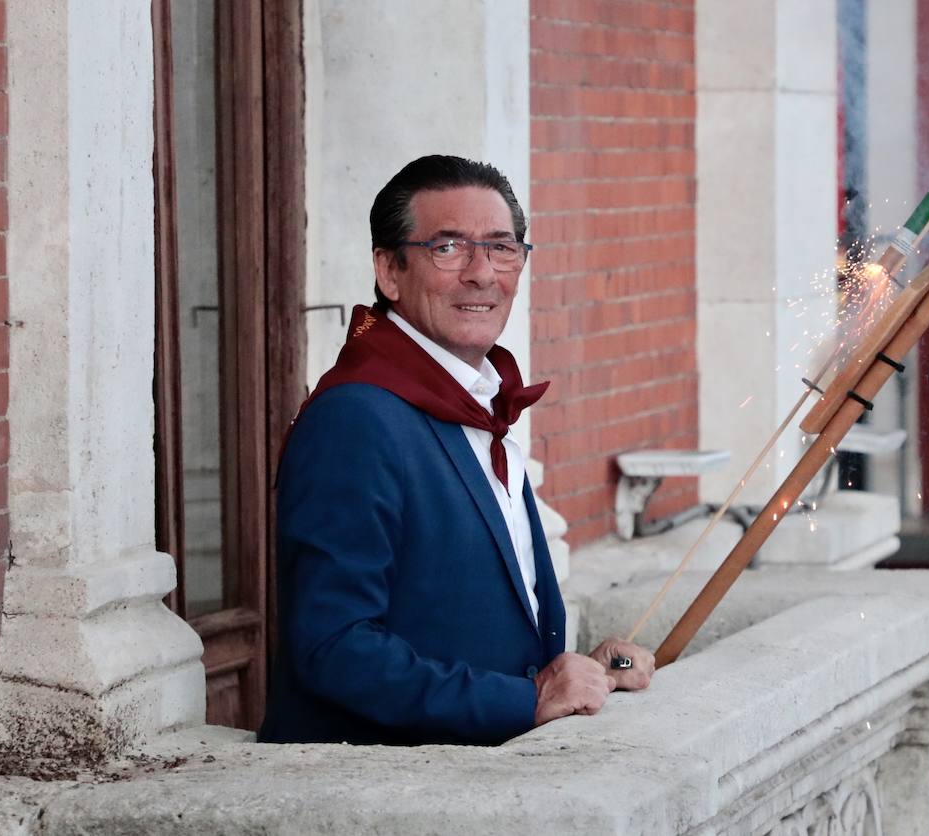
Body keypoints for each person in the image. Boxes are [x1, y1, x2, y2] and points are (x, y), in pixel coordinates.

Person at [259, 155, 654, 747]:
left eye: (501, 248)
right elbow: (334, 646)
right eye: (448, 247)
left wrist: (578, 673)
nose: (482, 273)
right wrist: (527, 698)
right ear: (389, 271)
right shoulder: (355, 419)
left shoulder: (475, 400)